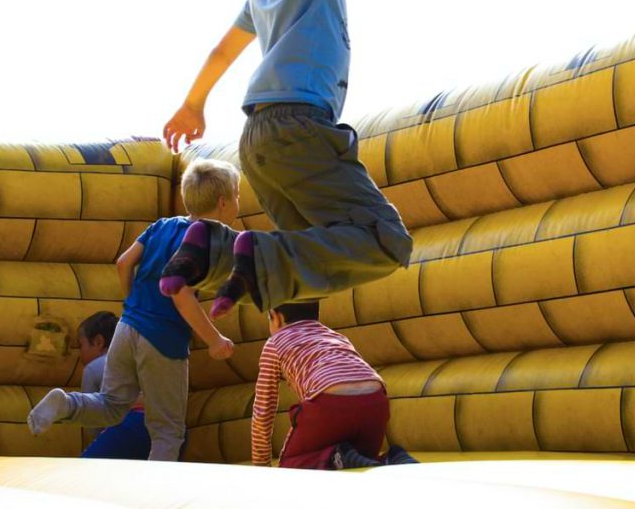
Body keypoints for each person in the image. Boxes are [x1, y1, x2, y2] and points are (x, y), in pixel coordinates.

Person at [159, 0, 426, 320]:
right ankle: (245, 255)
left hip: (259, 141)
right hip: (298, 129)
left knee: (303, 266)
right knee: (384, 240)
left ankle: (219, 256)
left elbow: (223, 49)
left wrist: (193, 103)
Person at [27, 159, 240, 461]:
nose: (239, 203)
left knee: (112, 405)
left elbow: (123, 263)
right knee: (167, 430)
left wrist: (133, 306)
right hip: (163, 338)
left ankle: (66, 404)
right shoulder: (205, 240)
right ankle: (157, 498)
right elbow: (180, 293)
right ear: (222, 202)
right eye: (237, 195)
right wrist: (214, 339)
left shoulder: (162, 226)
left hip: (127, 327)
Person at [251, 300, 417, 469]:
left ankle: (336, 457)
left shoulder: (275, 343)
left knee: (291, 467)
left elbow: (263, 410)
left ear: (276, 317)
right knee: (361, 460)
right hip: (376, 402)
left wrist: (261, 466)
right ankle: (393, 458)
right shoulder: (336, 337)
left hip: (329, 403)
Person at [76, 311, 152, 460]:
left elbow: (92, 419)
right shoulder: (139, 359)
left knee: (84, 469)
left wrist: (99, 444)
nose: (79, 354)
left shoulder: (92, 368)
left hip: (130, 424)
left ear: (98, 342)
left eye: (81, 345)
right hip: (164, 428)